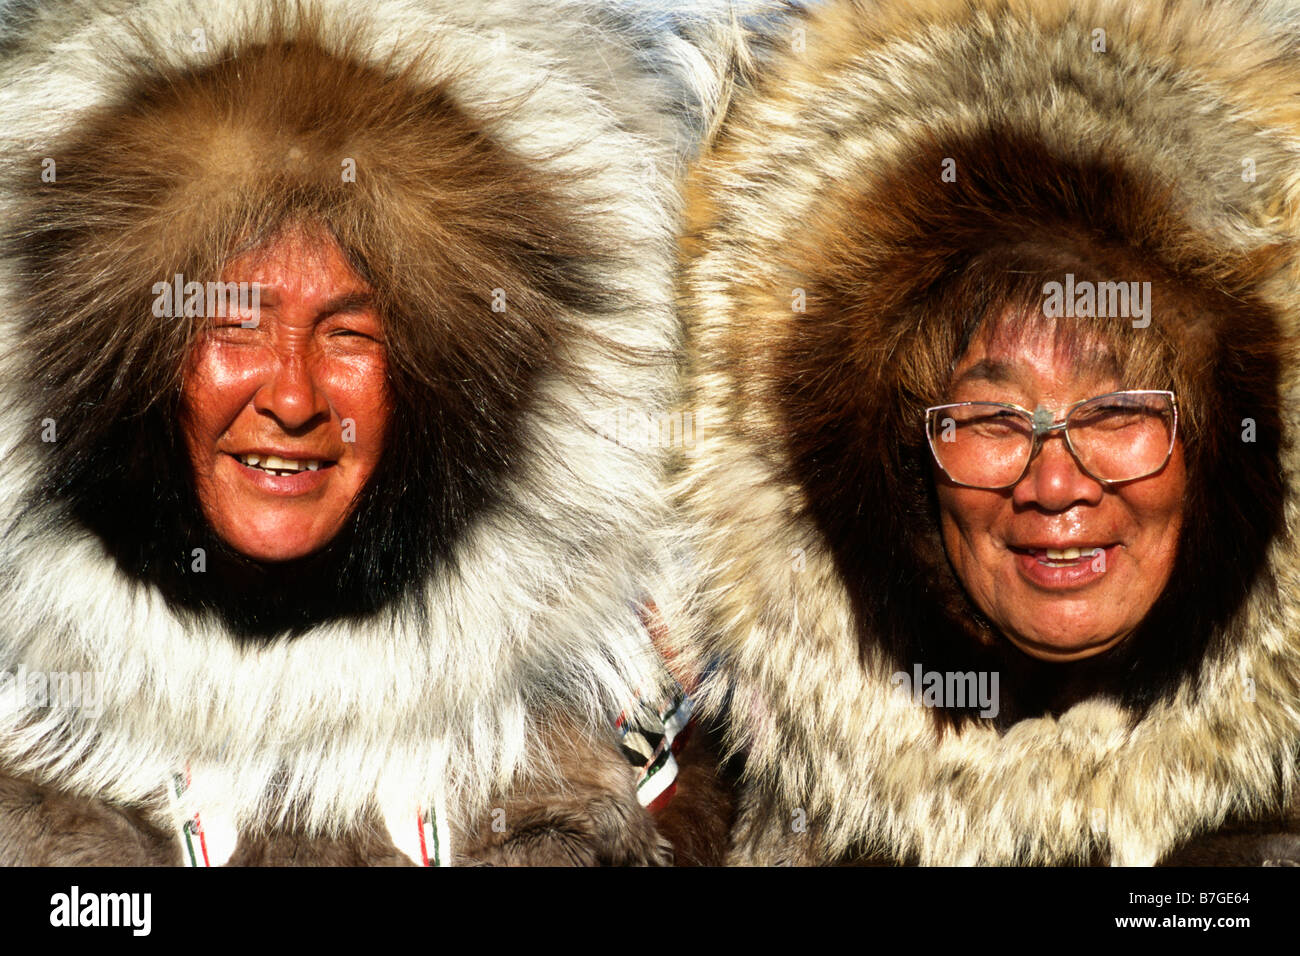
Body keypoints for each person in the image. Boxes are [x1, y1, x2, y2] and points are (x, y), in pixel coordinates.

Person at [0, 0, 714, 865]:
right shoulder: (37, 780)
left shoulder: (589, 769)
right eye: (234, 326)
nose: (293, 398)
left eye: (349, 335)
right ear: (138, 361)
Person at [670, 0, 1300, 865]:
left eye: (1118, 413)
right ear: (903, 462)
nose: (1054, 485)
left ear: (1218, 454)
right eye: (992, 419)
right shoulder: (717, 787)